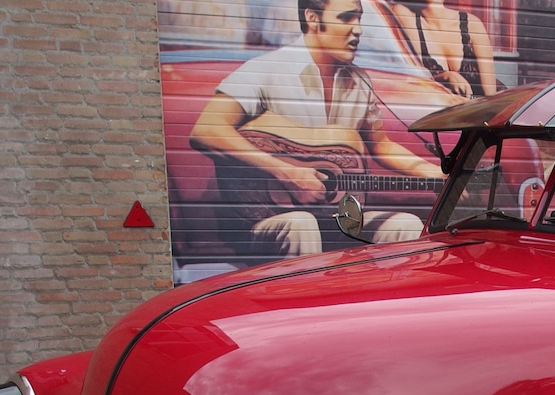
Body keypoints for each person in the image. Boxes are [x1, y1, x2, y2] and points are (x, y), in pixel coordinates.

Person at [190, 0, 444, 258]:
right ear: (312, 18)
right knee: (301, 223)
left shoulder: (359, 81)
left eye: (359, 19)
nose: (357, 30)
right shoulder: (266, 70)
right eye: (346, 18)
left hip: (335, 216)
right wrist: (288, 173)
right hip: (267, 218)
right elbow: (207, 131)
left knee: (406, 225)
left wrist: (433, 172)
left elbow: (380, 144)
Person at [391, 0, 498, 98]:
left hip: (478, 113)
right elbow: (410, 81)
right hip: (437, 115)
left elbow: (490, 96)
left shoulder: (472, 24)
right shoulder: (406, 17)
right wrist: (444, 77)